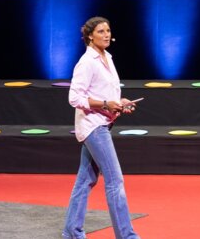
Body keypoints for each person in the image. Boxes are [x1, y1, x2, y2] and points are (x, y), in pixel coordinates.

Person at [63, 16, 140, 239]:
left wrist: (120, 103)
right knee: (115, 181)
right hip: (93, 126)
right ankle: (126, 236)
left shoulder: (107, 57)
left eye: (108, 30)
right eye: (100, 31)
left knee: (85, 179)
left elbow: (106, 93)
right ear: (89, 36)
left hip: (104, 121)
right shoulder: (87, 62)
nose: (106, 34)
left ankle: (71, 231)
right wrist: (106, 104)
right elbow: (75, 98)